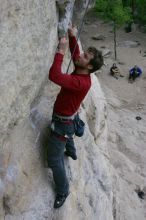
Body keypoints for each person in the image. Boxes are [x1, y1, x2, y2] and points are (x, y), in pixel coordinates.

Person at [48, 26, 103, 209]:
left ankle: (63, 190)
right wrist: (72, 37)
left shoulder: (81, 82)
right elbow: (76, 53)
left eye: (85, 57)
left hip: (63, 123)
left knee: (54, 160)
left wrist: (60, 51)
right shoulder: (82, 71)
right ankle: (71, 150)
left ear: (88, 67)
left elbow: (54, 75)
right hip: (67, 119)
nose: (80, 56)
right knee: (68, 132)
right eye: (84, 54)